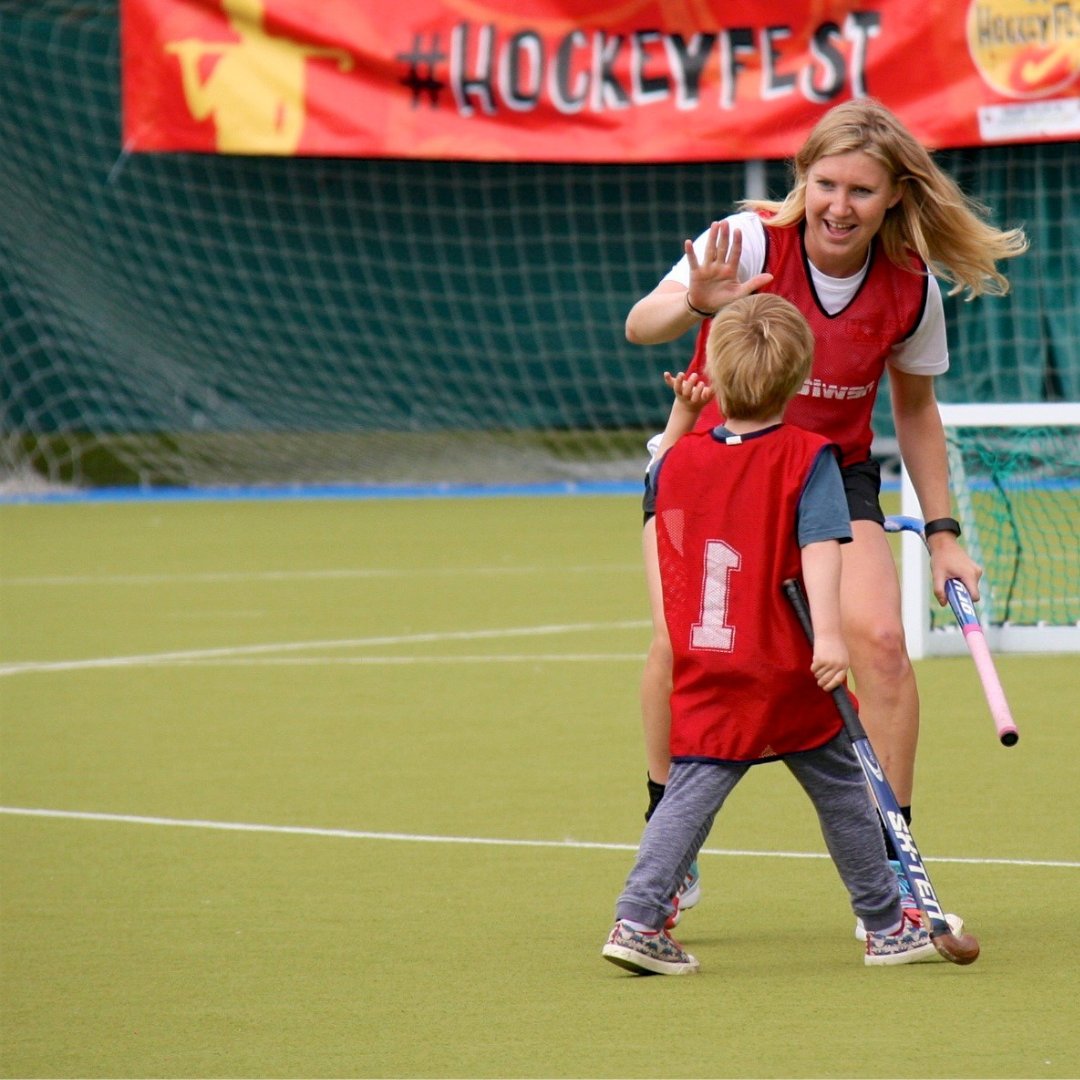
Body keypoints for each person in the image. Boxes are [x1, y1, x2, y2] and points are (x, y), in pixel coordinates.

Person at [624, 98, 1028, 936]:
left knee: (881, 642)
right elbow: (640, 326)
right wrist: (697, 305)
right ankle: (669, 846)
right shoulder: (740, 241)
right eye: (826, 183)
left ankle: (895, 862)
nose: (839, 205)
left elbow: (916, 412)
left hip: (827, 472)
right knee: (678, 646)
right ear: (803, 180)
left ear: (894, 198)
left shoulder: (910, 287)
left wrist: (945, 534)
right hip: (720, 463)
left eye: (862, 190)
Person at [603, 294, 939, 974]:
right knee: (845, 790)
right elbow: (821, 548)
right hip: (782, 662)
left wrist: (682, 414)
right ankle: (885, 923)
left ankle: (637, 918)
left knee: (688, 791)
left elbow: (653, 483)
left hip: (706, 660)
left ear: (716, 377)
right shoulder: (810, 456)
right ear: (800, 377)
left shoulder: (680, 461)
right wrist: (830, 639)